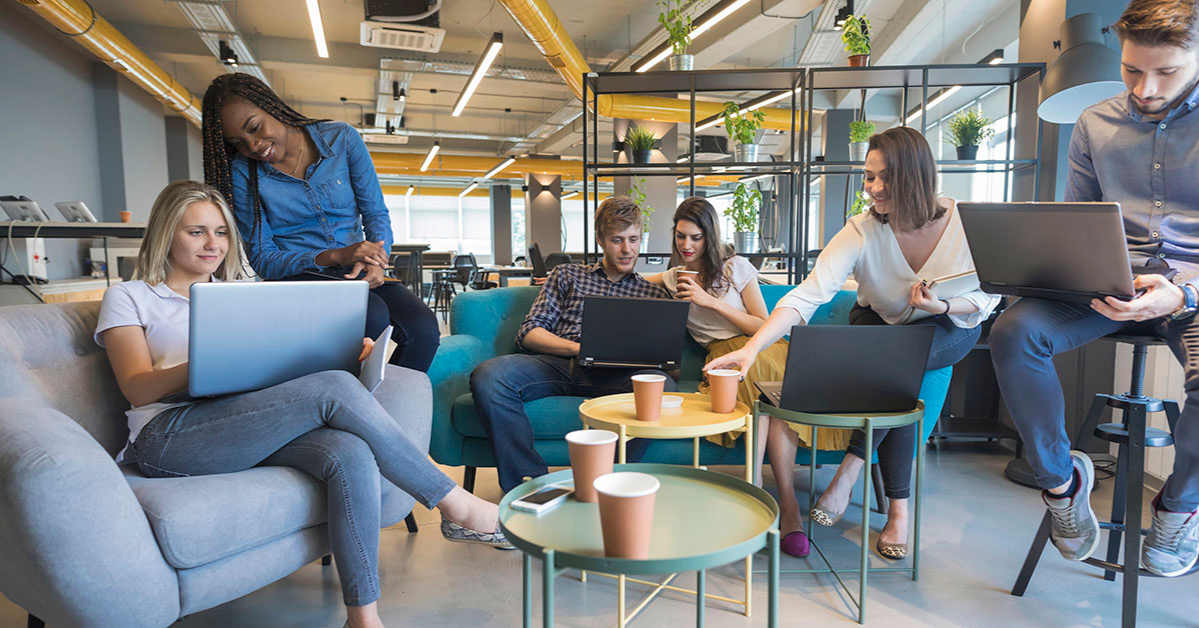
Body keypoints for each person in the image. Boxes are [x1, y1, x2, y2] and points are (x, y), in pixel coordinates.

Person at [96, 181, 508, 628]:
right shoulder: (130, 295)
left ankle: (363, 618)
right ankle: (456, 505)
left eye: (221, 232)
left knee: (348, 452)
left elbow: (273, 369)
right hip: (169, 436)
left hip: (242, 421)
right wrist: (209, 361)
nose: (213, 244)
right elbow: (137, 388)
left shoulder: (244, 291)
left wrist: (343, 353)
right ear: (165, 233)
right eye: (196, 232)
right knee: (332, 387)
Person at [706, 126, 999, 560]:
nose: (874, 188)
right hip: (878, 323)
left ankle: (850, 473)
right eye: (869, 176)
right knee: (898, 378)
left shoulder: (968, 224)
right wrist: (753, 348)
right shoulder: (862, 229)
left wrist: (942, 306)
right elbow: (809, 294)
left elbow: (989, 294)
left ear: (915, 177)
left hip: (949, 325)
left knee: (901, 367)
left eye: (885, 178)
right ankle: (896, 511)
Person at [988, 0, 1199, 578]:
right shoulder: (1095, 122)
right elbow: (1077, 221)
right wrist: (1067, 267)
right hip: (1108, 285)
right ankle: (1063, 484)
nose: (1146, 88)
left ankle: (1179, 507)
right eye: (1132, 70)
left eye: (1167, 72)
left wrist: (1183, 293)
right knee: (1014, 331)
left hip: (1191, 293)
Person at [201, 73, 439, 373]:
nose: (254, 145)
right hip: (300, 276)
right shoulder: (243, 173)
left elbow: (375, 213)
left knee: (424, 329)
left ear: (272, 107)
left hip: (356, 271)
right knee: (371, 315)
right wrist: (337, 255)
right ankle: (345, 409)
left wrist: (377, 260)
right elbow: (263, 258)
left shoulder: (341, 139)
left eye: (255, 127)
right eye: (238, 142)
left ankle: (386, 409)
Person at [470, 196, 677, 492]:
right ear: (601, 240)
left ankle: (607, 482)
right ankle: (532, 486)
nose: (627, 249)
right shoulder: (567, 275)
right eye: (617, 240)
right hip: (557, 364)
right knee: (490, 376)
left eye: (634, 239)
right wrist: (581, 349)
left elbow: (669, 367)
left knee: (663, 386)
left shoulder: (652, 295)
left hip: (615, 376)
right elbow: (529, 333)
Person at [646, 198, 851, 459]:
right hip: (722, 355)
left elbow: (761, 323)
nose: (687, 245)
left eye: (696, 237)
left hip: (762, 346)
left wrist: (710, 302)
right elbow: (629, 276)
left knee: (775, 402)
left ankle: (764, 484)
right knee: (764, 401)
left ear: (709, 236)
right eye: (681, 236)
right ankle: (762, 484)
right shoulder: (674, 278)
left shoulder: (734, 267)